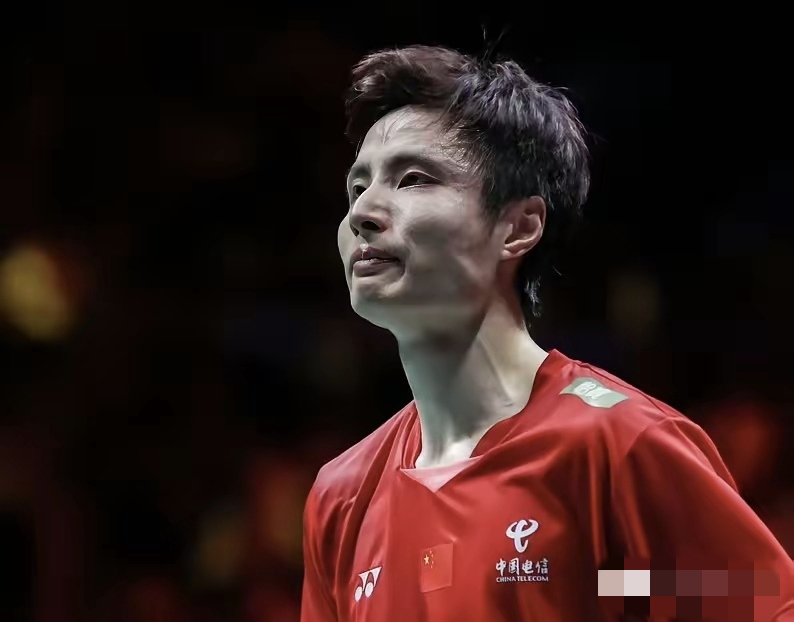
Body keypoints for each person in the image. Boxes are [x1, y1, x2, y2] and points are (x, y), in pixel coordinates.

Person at [300, 45, 794, 621]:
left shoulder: (614, 445)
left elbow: (757, 608)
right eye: (357, 189)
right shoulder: (342, 497)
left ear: (519, 226)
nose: (362, 213)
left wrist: (614, 591)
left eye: (412, 179)